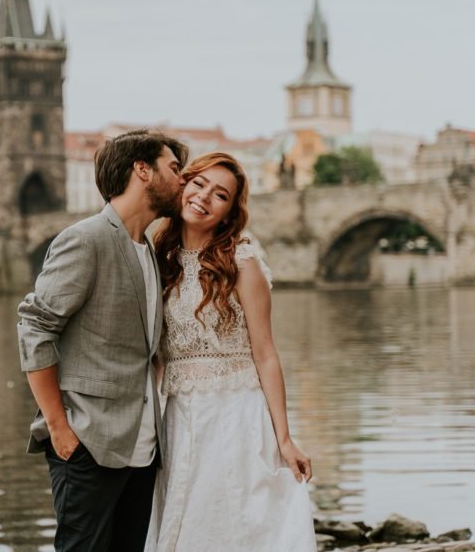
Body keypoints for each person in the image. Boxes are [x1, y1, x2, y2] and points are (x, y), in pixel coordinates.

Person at [17, 129, 188, 552]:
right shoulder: (86, 239)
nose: (182, 180)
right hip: (87, 443)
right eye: (174, 168)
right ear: (142, 171)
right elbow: (35, 329)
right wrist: (59, 429)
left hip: (143, 449)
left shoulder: (147, 249)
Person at [144, 151, 314, 551]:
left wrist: (284, 438)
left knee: (232, 516)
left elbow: (266, 353)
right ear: (183, 184)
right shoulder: (158, 256)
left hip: (235, 413)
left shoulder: (241, 260)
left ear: (228, 211)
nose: (203, 197)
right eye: (198, 183)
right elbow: (156, 356)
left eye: (220, 195)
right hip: (178, 416)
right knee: (182, 516)